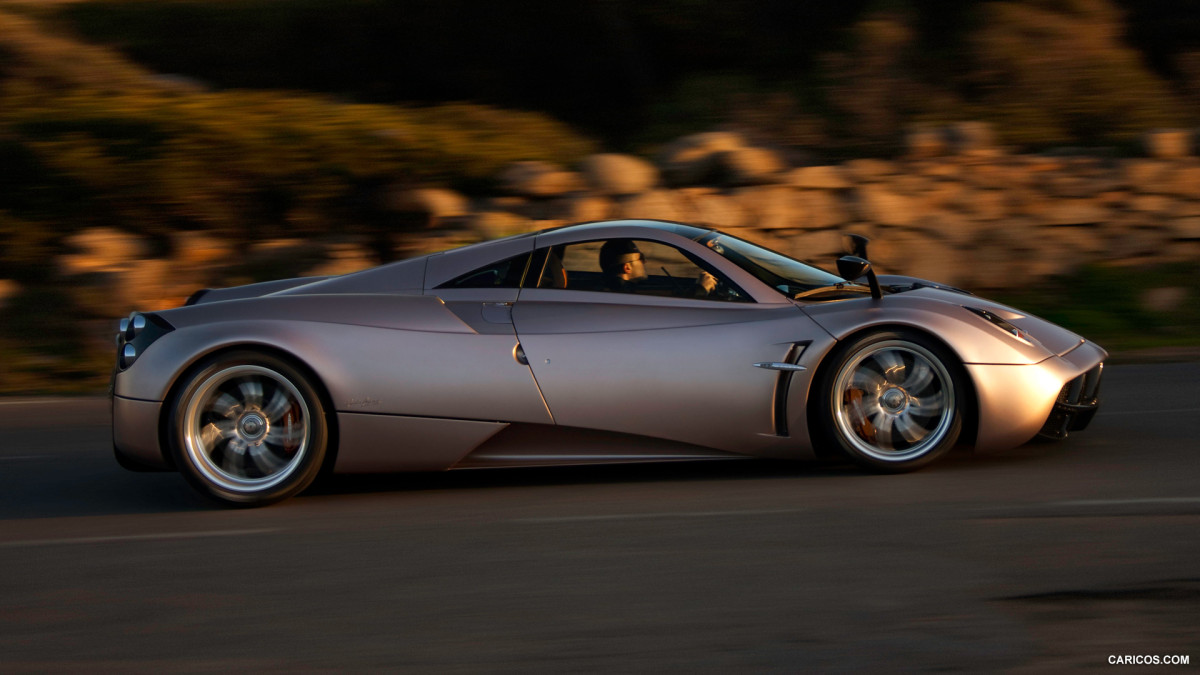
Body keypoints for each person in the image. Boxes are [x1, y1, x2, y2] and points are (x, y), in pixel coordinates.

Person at [599, 239, 718, 297]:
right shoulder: (624, 297)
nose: (645, 261)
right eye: (641, 258)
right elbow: (674, 314)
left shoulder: (623, 291)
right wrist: (700, 290)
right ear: (627, 268)